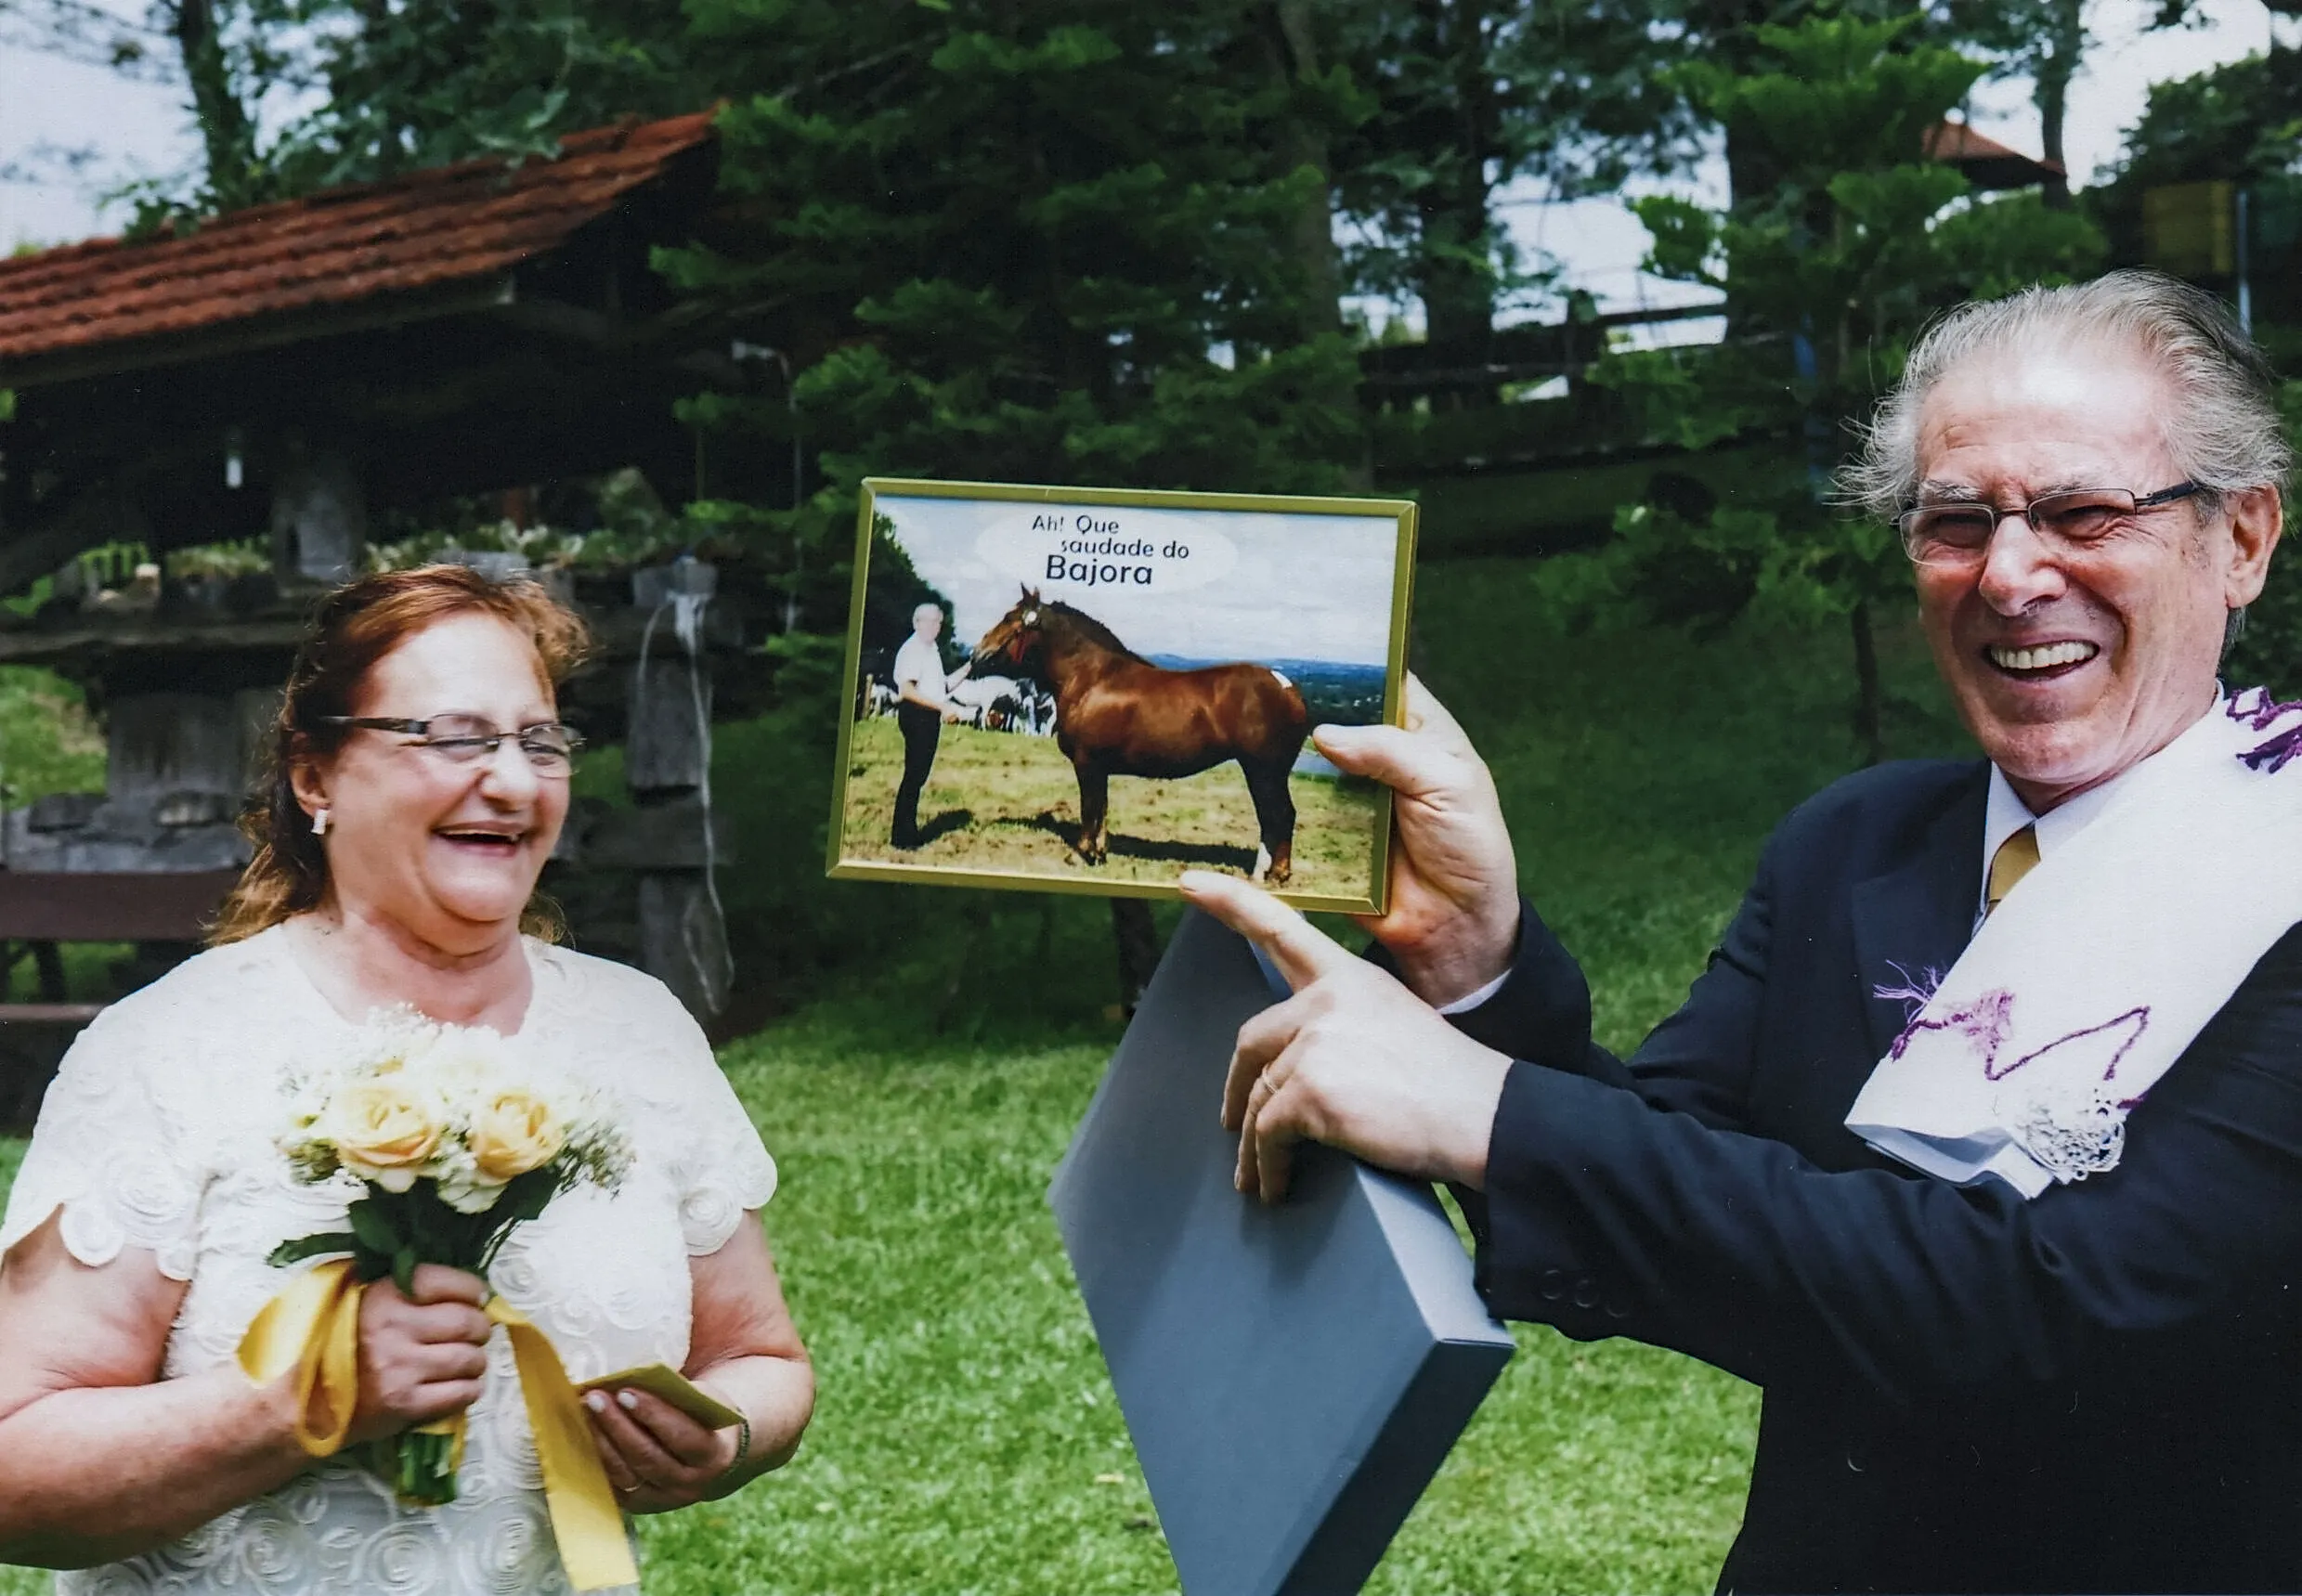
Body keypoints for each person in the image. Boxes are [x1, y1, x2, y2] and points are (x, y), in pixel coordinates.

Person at [1182, 269, 2302, 1593]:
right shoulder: (1855, 842)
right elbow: (1657, 1201)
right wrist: (1472, 966)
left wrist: (1484, 1107)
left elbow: (2068, 1310)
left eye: (2079, 511)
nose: (2008, 575)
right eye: (1953, 521)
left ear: (2240, 538)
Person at [0, 565, 813, 1593]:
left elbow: (766, 1360)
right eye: (455, 737)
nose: (514, 782)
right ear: (316, 776)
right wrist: (299, 1400)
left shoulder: (637, 1033)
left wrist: (724, 1438)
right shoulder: (165, 1053)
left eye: (540, 740)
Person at [890, 601, 968, 849]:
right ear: (917, 622)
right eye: (930, 621)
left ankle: (906, 833)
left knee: (918, 776)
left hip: (927, 715)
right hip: (917, 715)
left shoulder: (929, 648)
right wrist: (943, 708)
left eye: (939, 622)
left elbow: (940, 686)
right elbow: (907, 690)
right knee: (914, 776)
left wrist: (969, 667)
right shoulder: (914, 649)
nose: (935, 626)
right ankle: (903, 838)